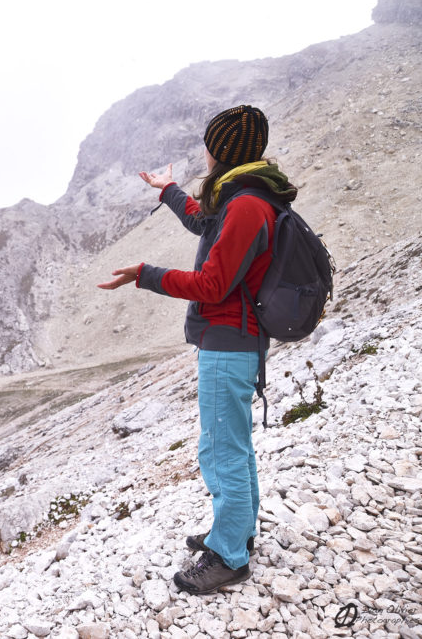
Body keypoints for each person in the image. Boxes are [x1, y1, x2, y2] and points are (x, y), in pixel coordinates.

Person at [98, 105, 298, 594]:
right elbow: (203, 224)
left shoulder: (247, 205)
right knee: (234, 444)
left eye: (210, 145)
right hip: (235, 340)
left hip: (229, 342)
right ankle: (237, 533)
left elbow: (212, 284)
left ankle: (229, 554)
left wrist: (145, 275)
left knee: (221, 449)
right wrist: (167, 191)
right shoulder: (242, 196)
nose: (205, 153)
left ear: (222, 150)